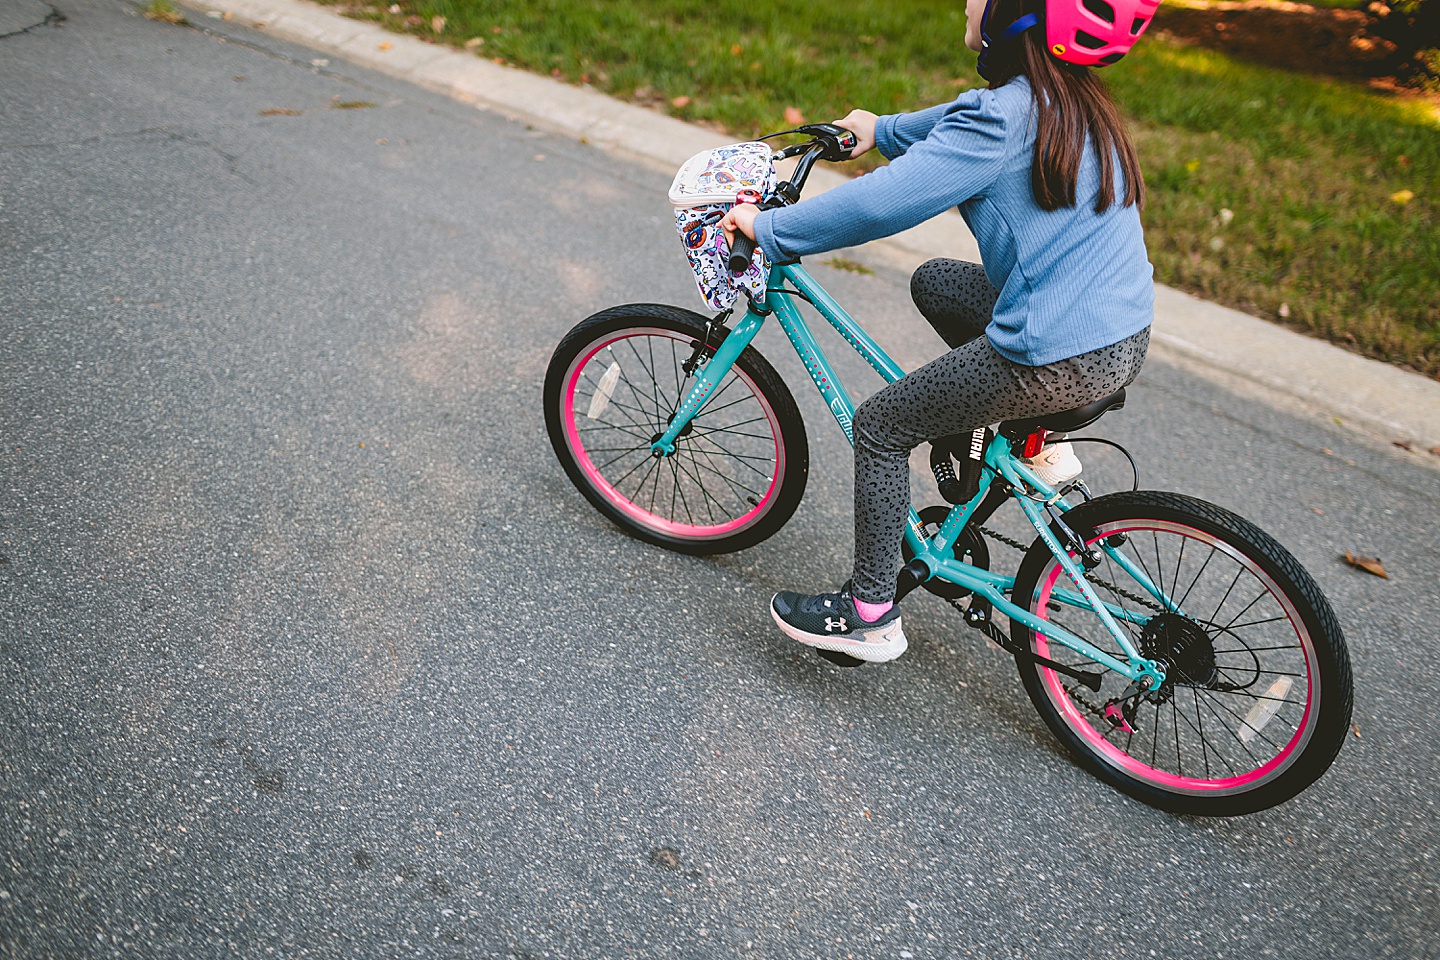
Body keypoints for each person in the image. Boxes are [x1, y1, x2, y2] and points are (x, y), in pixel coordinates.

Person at [719, 0, 1161, 663]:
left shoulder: (1001, 119)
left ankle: (869, 613)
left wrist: (771, 229)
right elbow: (955, 124)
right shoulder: (1066, 99)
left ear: (1015, 16)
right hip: (1116, 334)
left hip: (1052, 354)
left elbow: (880, 203)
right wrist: (879, 129)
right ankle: (1034, 444)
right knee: (938, 282)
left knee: (881, 426)